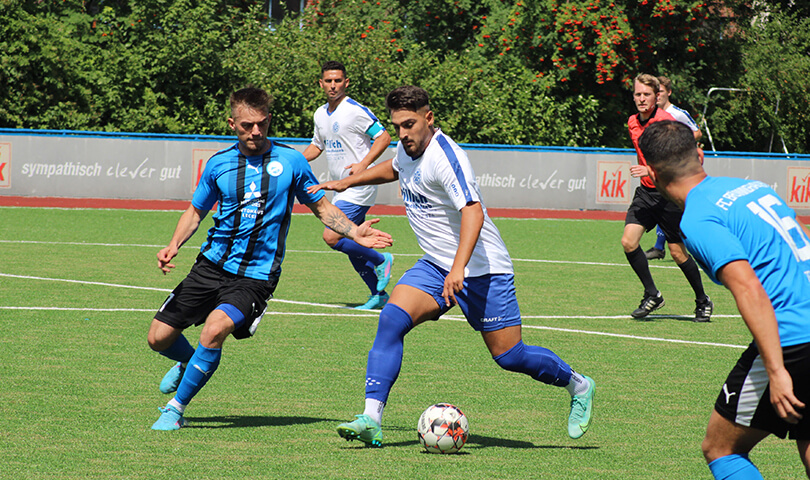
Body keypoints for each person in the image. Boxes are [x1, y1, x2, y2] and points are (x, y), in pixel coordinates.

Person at [309, 85, 595, 447]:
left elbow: (472, 212)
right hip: (435, 266)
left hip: (482, 268)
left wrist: (459, 269)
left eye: (409, 124)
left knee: (509, 356)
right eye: (397, 126)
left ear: (429, 118)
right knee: (391, 320)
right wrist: (350, 180)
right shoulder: (407, 147)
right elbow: (393, 168)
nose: (402, 133)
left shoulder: (446, 157)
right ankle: (371, 418)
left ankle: (578, 385)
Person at [147, 86, 392, 431]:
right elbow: (195, 211)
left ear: (269, 120)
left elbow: (321, 207)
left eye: (261, 124)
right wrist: (173, 244)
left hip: (256, 277)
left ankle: (175, 409)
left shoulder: (291, 161)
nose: (256, 132)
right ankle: (191, 364)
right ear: (232, 123)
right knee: (158, 338)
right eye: (247, 125)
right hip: (210, 266)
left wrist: (354, 232)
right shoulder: (219, 165)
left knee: (214, 331)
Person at [639, 120, 810, 479]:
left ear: (651, 176)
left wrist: (777, 370)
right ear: (700, 155)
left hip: (793, 336)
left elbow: (749, 288)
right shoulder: (755, 188)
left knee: (721, 449)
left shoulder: (699, 219)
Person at [302, 61, 394, 310]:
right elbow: (317, 146)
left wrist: (364, 164)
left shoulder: (354, 110)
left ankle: (381, 259)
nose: (333, 85)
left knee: (332, 235)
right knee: (353, 238)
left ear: (346, 82)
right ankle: (378, 294)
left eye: (338, 80)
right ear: (321, 83)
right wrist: (295, 160)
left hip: (358, 186)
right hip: (339, 188)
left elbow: (384, 137)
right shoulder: (320, 114)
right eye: (328, 81)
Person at [622, 73, 713, 322]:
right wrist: (647, 173)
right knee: (629, 242)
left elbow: (686, 156)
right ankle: (653, 294)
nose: (642, 99)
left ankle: (702, 300)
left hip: (668, 193)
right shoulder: (632, 122)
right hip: (645, 193)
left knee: (677, 252)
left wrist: (651, 170)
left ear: (656, 96)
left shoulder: (665, 121)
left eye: (647, 95)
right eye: (638, 94)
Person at [645, 75, 703, 261]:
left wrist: (677, 144)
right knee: (667, 203)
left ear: (668, 92)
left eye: (660, 91)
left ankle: (692, 243)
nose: (658, 95)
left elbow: (697, 132)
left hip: (682, 165)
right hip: (666, 165)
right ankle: (659, 246)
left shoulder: (677, 113)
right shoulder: (653, 115)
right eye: (656, 92)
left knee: (679, 205)